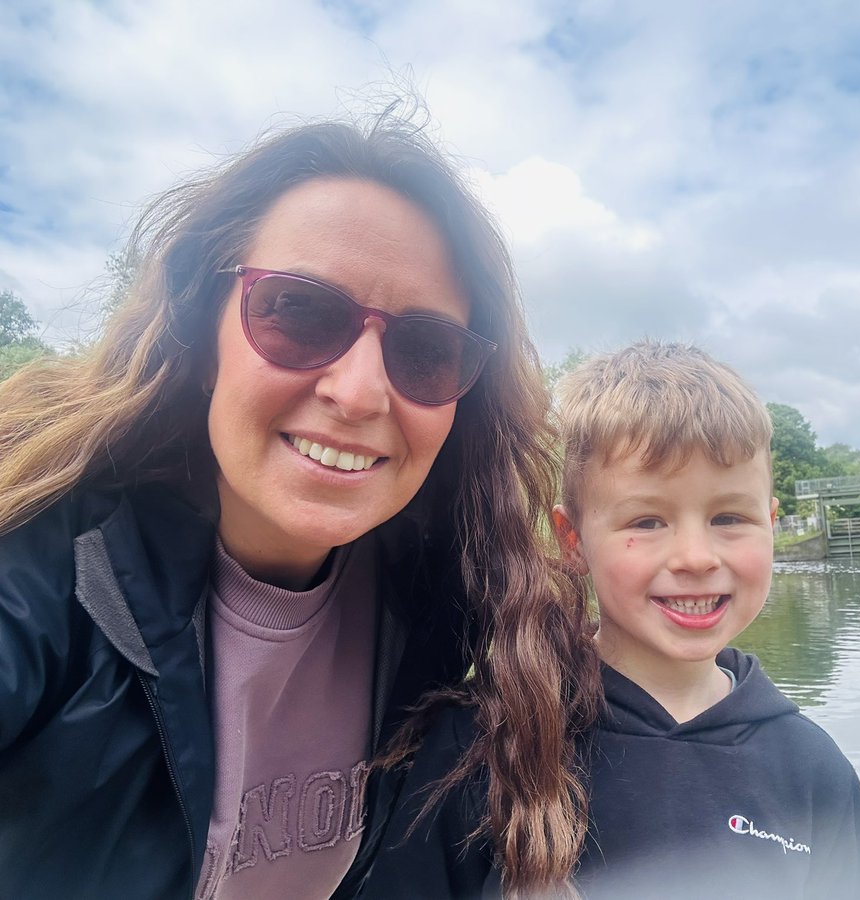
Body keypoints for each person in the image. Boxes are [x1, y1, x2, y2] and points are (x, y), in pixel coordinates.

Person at [0, 99, 600, 899]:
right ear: (201, 336)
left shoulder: (447, 595)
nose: (357, 393)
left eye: (425, 350)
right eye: (297, 311)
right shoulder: (43, 567)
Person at [368, 341, 860, 899]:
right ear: (573, 540)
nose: (696, 556)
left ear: (770, 522)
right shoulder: (483, 742)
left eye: (728, 517)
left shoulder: (815, 772)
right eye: (647, 519)